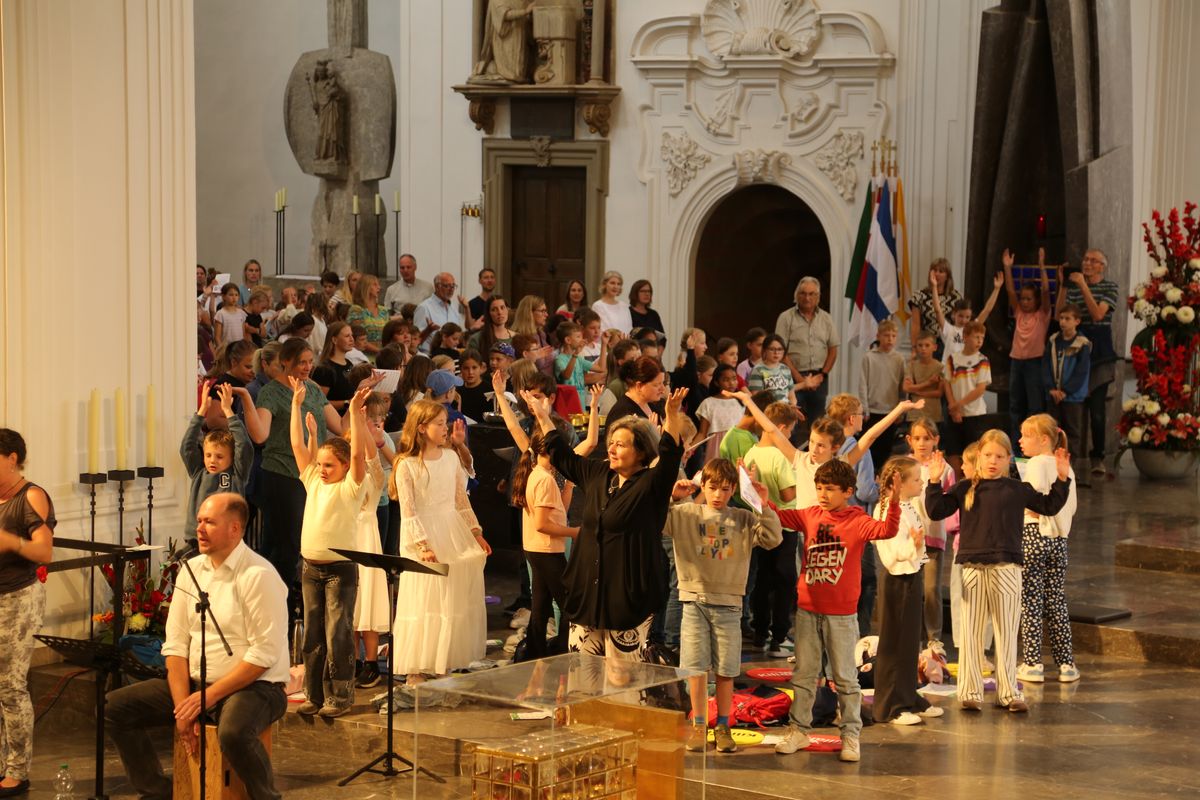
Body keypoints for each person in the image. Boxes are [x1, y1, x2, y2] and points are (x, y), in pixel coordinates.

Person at [105, 493, 288, 800]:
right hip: (197, 684)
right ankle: (160, 791)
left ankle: (267, 797)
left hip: (256, 687)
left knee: (233, 731)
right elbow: (176, 646)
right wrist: (183, 708)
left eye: (209, 522)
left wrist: (207, 698)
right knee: (114, 707)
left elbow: (263, 655)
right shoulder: (190, 571)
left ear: (235, 528)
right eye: (200, 520)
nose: (199, 528)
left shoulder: (259, 575)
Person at [524, 385, 691, 659]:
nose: (611, 449)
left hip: (627, 598)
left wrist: (672, 415)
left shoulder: (651, 485)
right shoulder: (599, 474)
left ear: (641, 452)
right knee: (581, 671)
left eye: (620, 444)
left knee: (621, 675)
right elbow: (562, 454)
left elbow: (670, 455)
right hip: (587, 595)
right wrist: (543, 417)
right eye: (611, 442)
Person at [924, 431, 1071, 713]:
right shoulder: (965, 488)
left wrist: (1062, 479)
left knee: (1006, 630)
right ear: (979, 456)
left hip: (1007, 567)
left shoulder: (1017, 489)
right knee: (971, 631)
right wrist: (934, 481)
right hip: (973, 566)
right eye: (988, 455)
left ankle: (1008, 692)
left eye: (999, 456)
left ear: (1008, 459)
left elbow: (1049, 505)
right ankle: (970, 691)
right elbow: (936, 510)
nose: (993, 461)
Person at [771, 460, 902, 762]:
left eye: (830, 489)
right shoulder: (810, 515)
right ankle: (799, 730)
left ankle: (851, 734)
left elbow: (886, 530)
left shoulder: (857, 519)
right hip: (808, 611)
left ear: (848, 491)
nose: (822, 494)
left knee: (845, 677)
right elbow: (779, 516)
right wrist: (762, 498)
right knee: (804, 674)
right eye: (819, 488)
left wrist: (893, 502)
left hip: (841, 615)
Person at [666, 459, 782, 754]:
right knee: (695, 670)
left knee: (726, 670)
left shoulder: (743, 518)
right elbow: (653, 521)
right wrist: (673, 497)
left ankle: (723, 725)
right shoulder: (685, 514)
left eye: (726, 489)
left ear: (733, 490)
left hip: (729, 605)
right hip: (694, 601)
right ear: (703, 485)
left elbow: (773, 538)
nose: (718, 494)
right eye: (713, 487)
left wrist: (763, 505)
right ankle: (698, 725)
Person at [238, 339, 343, 618]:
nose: (308, 367)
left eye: (310, 362)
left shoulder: (313, 390)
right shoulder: (271, 392)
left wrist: (359, 403)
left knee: (300, 545)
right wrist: (246, 399)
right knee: (284, 548)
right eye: (302, 362)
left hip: (313, 477)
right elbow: (260, 435)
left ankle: (288, 610)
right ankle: (274, 612)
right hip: (282, 476)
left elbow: (341, 426)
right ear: (286, 362)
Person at [391, 401, 491, 684]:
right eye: (439, 423)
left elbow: (460, 500)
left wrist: (475, 532)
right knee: (424, 599)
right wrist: (422, 546)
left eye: (445, 422)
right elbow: (409, 510)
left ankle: (442, 662)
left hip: (450, 531)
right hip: (423, 534)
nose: (445, 428)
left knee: (449, 599)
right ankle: (418, 666)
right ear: (422, 428)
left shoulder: (450, 458)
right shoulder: (407, 465)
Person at [290, 382, 369, 717]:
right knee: (313, 634)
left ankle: (340, 695)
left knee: (338, 632)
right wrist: (296, 406)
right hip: (311, 568)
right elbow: (297, 445)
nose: (321, 470)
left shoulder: (351, 488)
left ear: (344, 467)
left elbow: (358, 455)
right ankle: (314, 694)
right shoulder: (312, 481)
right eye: (320, 464)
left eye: (329, 466)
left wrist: (355, 415)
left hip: (339, 570)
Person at [0, 430, 54, 797]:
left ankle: (17, 771)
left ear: (13, 458)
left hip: (17, 598)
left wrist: (11, 541)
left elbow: (44, 552)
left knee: (10, 686)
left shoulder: (31, 496)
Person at [871, 456, 942, 726]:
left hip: (912, 576)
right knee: (895, 644)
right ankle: (891, 706)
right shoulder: (885, 509)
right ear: (897, 483)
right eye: (916, 479)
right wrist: (913, 544)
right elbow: (891, 551)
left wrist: (916, 546)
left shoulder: (908, 505)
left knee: (910, 642)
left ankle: (908, 696)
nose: (921, 483)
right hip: (896, 580)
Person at [1017, 414, 1080, 684]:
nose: (1020, 440)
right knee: (1056, 600)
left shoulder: (1035, 463)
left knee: (1031, 599)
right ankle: (1066, 664)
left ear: (1044, 439)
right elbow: (1070, 506)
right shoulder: (1065, 466)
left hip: (1034, 535)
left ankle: (1033, 663)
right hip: (1060, 540)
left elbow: (1032, 499)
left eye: (1026, 435)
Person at [511, 430, 579, 659]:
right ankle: (562, 650)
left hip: (538, 548)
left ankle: (535, 653)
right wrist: (574, 533)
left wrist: (569, 485)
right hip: (546, 550)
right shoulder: (544, 479)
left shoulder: (539, 474)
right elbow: (542, 524)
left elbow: (559, 511)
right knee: (571, 604)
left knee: (540, 605)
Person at [742, 403, 801, 657]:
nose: (790, 436)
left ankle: (759, 633)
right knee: (784, 583)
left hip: (761, 525)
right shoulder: (779, 457)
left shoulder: (751, 452)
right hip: (784, 525)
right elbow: (787, 494)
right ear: (781, 428)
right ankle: (779, 637)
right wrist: (804, 483)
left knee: (763, 580)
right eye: (790, 431)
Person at [1056, 248, 1121, 477]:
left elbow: (1098, 315)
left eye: (1093, 261)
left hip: (1100, 354)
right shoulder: (1073, 287)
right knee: (1071, 408)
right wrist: (1064, 285)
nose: (1087, 263)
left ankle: (1098, 457)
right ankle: (1067, 457)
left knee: (1097, 410)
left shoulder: (1110, 287)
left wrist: (1083, 285)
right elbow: (1059, 314)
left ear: (1102, 266)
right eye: (1085, 259)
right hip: (1075, 350)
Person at [904, 416, 958, 653]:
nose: (922, 443)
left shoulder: (945, 469)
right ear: (909, 440)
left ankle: (933, 637)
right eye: (917, 438)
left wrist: (953, 529)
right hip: (907, 539)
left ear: (936, 440)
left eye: (926, 438)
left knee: (930, 590)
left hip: (933, 537)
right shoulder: (904, 465)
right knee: (911, 589)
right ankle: (911, 636)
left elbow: (950, 502)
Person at [352, 392, 394, 689]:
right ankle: (352, 660)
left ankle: (370, 662)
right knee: (351, 603)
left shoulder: (375, 476)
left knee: (367, 598)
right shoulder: (343, 480)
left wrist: (365, 429)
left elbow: (368, 459)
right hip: (345, 536)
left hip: (366, 537)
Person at [182, 384, 253, 540]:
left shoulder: (237, 474)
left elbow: (244, 445)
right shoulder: (198, 472)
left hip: (226, 538)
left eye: (219, 456)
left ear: (232, 457)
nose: (212, 460)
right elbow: (187, 447)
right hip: (197, 538)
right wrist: (202, 412)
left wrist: (228, 411)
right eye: (208, 455)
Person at [774, 277, 839, 428]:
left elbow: (833, 349)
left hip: (819, 379)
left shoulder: (826, 319)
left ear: (818, 297)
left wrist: (822, 375)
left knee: (818, 424)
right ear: (796, 295)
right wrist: (800, 379)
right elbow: (780, 351)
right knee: (791, 422)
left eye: (811, 294)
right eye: (803, 293)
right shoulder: (786, 318)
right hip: (792, 378)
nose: (807, 298)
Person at [1002, 247, 1052, 442]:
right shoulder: (1019, 313)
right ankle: (1016, 444)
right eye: (1022, 298)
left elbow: (1046, 291)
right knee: (1015, 405)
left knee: (1035, 406)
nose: (1024, 302)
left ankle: (1034, 443)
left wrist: (1042, 266)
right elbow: (1010, 290)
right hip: (1016, 361)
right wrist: (1007, 268)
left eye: (1029, 299)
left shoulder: (1042, 315)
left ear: (1036, 300)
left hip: (1034, 362)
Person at [1043, 303, 1092, 481]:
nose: (1063, 322)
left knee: (1072, 433)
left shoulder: (1082, 344)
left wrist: (1065, 390)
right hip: (1054, 395)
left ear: (1077, 321)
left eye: (1067, 319)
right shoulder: (1053, 340)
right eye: (1061, 318)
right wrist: (1051, 388)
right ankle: (1053, 468)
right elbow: (1046, 366)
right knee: (1053, 431)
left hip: (1072, 397)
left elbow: (1081, 371)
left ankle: (1070, 469)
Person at [943, 320, 992, 473]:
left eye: (982, 338)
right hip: (955, 414)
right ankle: (955, 482)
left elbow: (980, 389)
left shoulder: (982, 360)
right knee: (953, 451)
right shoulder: (953, 359)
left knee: (974, 453)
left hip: (975, 414)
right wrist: (953, 407)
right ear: (965, 337)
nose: (979, 341)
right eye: (976, 337)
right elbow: (947, 383)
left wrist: (958, 405)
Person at [858, 319, 905, 468]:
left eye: (893, 336)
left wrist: (900, 410)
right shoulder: (869, 357)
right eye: (886, 335)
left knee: (886, 448)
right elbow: (863, 384)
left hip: (890, 411)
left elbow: (902, 386)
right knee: (870, 447)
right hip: (872, 411)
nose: (890, 339)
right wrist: (864, 408)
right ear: (878, 336)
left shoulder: (899, 359)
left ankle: (881, 475)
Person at [933, 273, 1002, 367]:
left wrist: (996, 289)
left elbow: (987, 310)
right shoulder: (948, 329)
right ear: (953, 315)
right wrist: (934, 287)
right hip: (949, 369)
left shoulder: (972, 329)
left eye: (967, 317)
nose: (964, 320)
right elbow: (937, 310)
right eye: (960, 316)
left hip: (966, 369)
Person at [907, 258, 963, 356]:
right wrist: (914, 348)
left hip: (949, 343)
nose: (937, 274)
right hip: (926, 343)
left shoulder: (956, 297)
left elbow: (960, 324)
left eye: (941, 271)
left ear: (947, 276)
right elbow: (915, 325)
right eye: (934, 270)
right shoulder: (919, 296)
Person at [693, 365, 743, 465]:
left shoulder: (742, 401)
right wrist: (689, 449)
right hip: (716, 448)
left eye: (734, 379)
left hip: (738, 447)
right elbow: (702, 433)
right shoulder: (708, 403)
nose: (731, 383)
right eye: (726, 380)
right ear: (716, 382)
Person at [554, 321, 607, 410]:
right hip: (567, 405)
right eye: (578, 337)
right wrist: (575, 354)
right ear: (568, 340)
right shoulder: (559, 359)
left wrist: (604, 345)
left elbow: (601, 368)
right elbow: (566, 376)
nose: (581, 340)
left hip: (580, 404)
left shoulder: (579, 359)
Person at [413, 273, 469, 350]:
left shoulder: (453, 307)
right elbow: (416, 340)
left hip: (451, 353)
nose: (451, 289)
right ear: (437, 287)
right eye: (447, 286)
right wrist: (428, 330)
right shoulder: (424, 307)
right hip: (430, 354)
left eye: (453, 286)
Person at [903, 330, 945, 425]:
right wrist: (929, 383)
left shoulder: (940, 367)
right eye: (920, 345)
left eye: (927, 345)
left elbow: (939, 393)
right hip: (914, 414)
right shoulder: (911, 365)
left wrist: (918, 392)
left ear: (934, 347)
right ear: (916, 347)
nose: (923, 349)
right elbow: (906, 388)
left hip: (934, 414)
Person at [608, 356, 667, 424]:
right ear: (639, 386)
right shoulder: (623, 413)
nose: (663, 389)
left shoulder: (653, 404)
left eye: (663, 383)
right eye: (656, 385)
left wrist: (672, 413)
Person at [746, 334, 797, 405]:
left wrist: (792, 406)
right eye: (772, 349)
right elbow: (756, 398)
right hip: (768, 409)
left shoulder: (786, 369)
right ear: (764, 350)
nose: (776, 353)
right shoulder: (758, 370)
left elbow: (792, 396)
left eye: (780, 349)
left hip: (786, 408)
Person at [348, 275, 392, 356]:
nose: (379, 287)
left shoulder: (383, 311)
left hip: (384, 355)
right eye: (375, 284)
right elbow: (357, 336)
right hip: (363, 355)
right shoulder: (356, 310)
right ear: (365, 287)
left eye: (378, 284)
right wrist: (380, 351)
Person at [457, 350, 490, 421]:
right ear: (460, 369)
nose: (470, 372)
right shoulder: (457, 392)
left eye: (474, 368)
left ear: (481, 368)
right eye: (466, 368)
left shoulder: (489, 391)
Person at [213, 283, 247, 348]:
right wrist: (222, 350)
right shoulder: (220, 314)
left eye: (236, 295)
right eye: (231, 295)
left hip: (238, 348)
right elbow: (217, 337)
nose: (234, 298)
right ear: (223, 296)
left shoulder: (241, 313)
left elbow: (243, 334)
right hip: (226, 348)